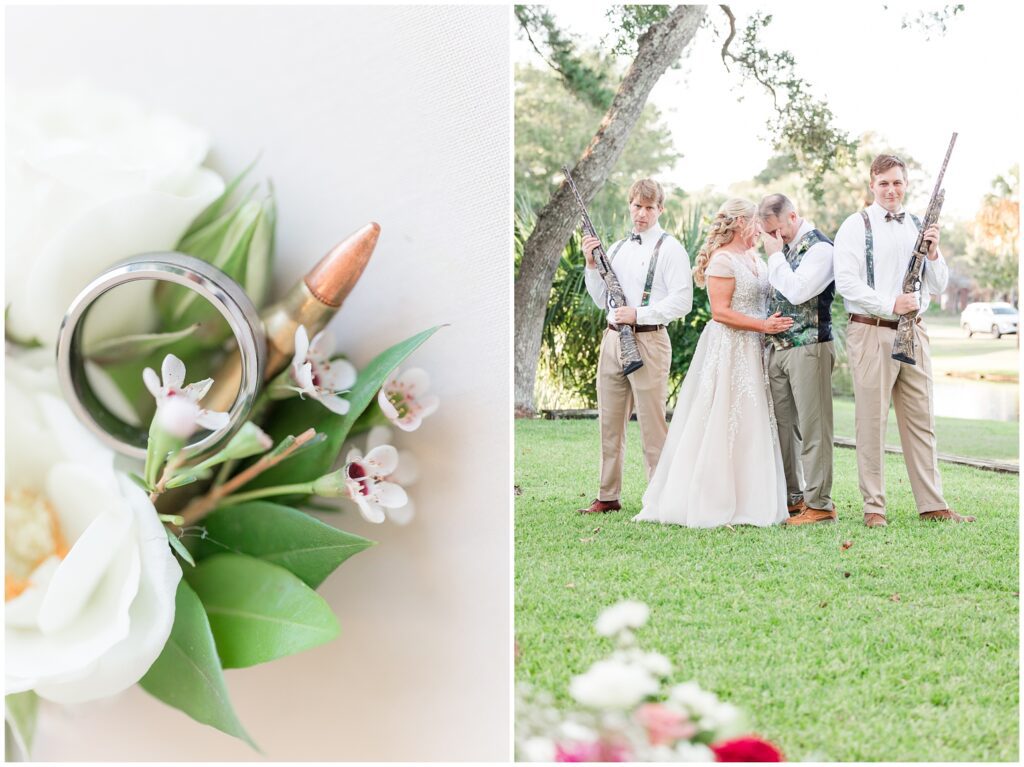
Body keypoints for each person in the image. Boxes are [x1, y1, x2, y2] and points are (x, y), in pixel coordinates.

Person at [833, 154, 974, 527]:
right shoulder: (854, 225)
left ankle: (932, 504)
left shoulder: (917, 224)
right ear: (872, 185)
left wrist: (933, 251)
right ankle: (874, 508)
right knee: (871, 420)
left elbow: (939, 285)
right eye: (883, 183)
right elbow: (846, 282)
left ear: (905, 184)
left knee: (921, 419)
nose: (891, 190)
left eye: (897, 182)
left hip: (915, 330)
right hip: (871, 329)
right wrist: (889, 302)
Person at [634, 198, 792, 528]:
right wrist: (763, 326)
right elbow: (720, 313)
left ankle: (758, 497)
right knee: (726, 417)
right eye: (756, 224)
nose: (761, 230)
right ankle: (714, 498)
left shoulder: (756, 257)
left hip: (757, 349)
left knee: (756, 420)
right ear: (738, 223)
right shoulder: (722, 260)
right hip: (732, 348)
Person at [577, 178, 693, 514]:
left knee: (652, 425)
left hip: (650, 339)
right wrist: (590, 265)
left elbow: (683, 301)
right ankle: (607, 495)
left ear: (660, 209)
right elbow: (602, 299)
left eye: (648, 207)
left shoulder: (671, 249)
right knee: (610, 424)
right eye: (636, 205)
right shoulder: (615, 248)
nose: (641, 213)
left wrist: (639, 313)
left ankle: (662, 500)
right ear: (629, 205)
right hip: (612, 339)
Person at [759, 194, 838, 526]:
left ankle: (819, 503)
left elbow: (797, 291)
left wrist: (775, 257)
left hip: (810, 347)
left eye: (778, 230)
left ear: (793, 216)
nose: (777, 239)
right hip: (778, 348)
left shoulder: (821, 249)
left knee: (814, 426)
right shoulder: (784, 249)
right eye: (770, 234)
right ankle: (794, 497)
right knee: (782, 425)